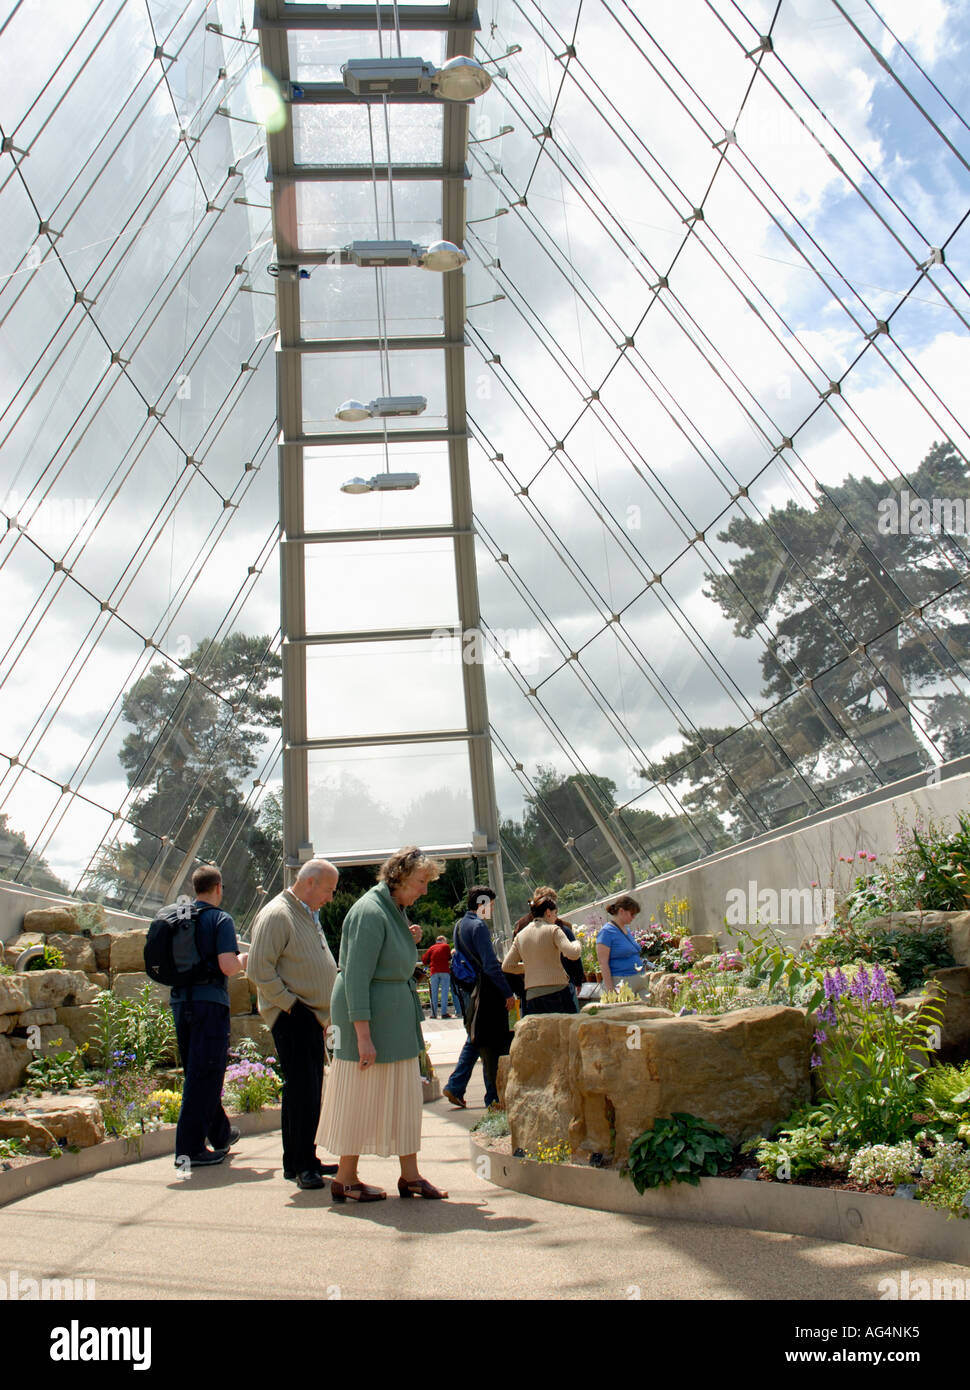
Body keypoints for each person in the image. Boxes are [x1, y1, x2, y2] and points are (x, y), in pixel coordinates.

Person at [317, 846, 448, 1203]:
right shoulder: (370, 912)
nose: (424, 890)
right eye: (421, 882)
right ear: (399, 877)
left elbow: (386, 958)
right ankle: (345, 1177)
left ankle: (410, 1176)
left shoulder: (392, 909)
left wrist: (409, 940)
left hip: (392, 1021)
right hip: (371, 1022)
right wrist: (363, 1037)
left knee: (403, 1095)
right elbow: (356, 978)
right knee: (361, 1095)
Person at [247, 858, 340, 1190]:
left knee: (309, 1090)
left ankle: (304, 1159)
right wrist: (291, 1006)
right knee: (302, 1090)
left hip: (309, 1015)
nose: (330, 898)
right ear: (310, 883)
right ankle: (301, 1165)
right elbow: (258, 970)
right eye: (328, 890)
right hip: (293, 1016)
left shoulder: (305, 913)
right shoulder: (277, 914)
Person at [171, 864, 247, 1168]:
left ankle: (221, 1134)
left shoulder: (177, 919)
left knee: (197, 1071)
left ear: (194, 888)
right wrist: (245, 959)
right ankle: (189, 1152)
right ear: (218, 888)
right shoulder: (220, 919)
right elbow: (228, 965)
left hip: (180, 1003)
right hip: (210, 1004)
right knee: (208, 1073)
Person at [443, 886, 516, 1111]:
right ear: (482, 903)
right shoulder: (478, 926)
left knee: (476, 1038)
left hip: (468, 989)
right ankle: (493, 1098)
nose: (491, 909)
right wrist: (507, 992)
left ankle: (456, 1086)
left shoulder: (459, 925)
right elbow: (490, 965)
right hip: (484, 993)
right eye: (490, 905)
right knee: (489, 1043)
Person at [502, 895, 581, 1015]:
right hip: (558, 992)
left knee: (543, 1034)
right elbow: (573, 954)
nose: (556, 917)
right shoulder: (553, 930)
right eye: (555, 913)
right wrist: (577, 943)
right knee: (566, 1032)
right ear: (548, 912)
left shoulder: (521, 936)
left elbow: (507, 966)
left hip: (533, 997)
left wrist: (530, 967)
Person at [596, 896, 649, 995]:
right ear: (621, 911)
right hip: (622, 982)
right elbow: (603, 963)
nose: (633, 917)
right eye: (632, 914)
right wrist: (610, 991)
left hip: (639, 981)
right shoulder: (606, 932)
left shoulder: (626, 929)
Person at [422, 935, 454, 1018]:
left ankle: (433, 1014)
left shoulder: (431, 948)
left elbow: (424, 959)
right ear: (443, 940)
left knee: (434, 993)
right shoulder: (446, 946)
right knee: (444, 992)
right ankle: (444, 1013)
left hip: (434, 971)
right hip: (444, 971)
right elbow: (449, 957)